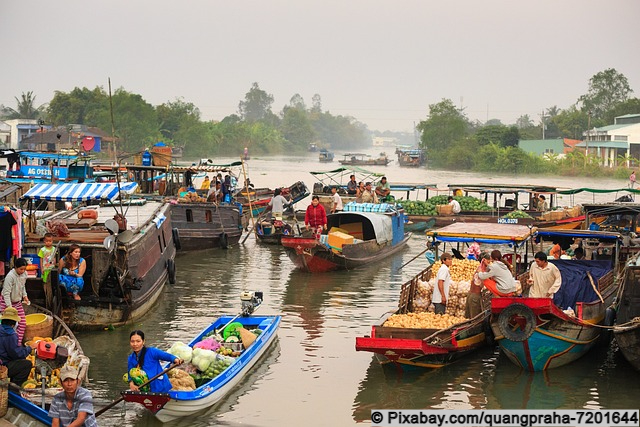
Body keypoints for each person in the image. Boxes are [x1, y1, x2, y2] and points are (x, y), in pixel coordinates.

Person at [0, 307, 33, 386]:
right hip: (4, 364)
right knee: (27, 364)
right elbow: (17, 354)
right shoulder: (11, 335)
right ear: (13, 323)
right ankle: (14, 387)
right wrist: (29, 348)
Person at [1, 258, 30, 343]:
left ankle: (17, 343)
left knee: (22, 323)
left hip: (17, 302)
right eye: (21, 269)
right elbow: (6, 293)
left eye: (24, 269)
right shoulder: (10, 277)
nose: (23, 271)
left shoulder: (24, 274)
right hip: (6, 302)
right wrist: (9, 308)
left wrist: (25, 295)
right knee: (6, 325)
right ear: (15, 267)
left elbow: (22, 285)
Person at [466, 252, 489, 318]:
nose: (490, 262)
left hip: (471, 295)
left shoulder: (479, 268)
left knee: (469, 318)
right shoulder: (481, 271)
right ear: (484, 260)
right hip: (474, 297)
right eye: (488, 260)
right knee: (475, 318)